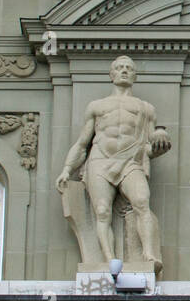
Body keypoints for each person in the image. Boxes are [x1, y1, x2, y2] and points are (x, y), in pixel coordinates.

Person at [56, 56, 171, 271]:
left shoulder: (146, 109)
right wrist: (66, 169)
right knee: (102, 210)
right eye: (119, 68)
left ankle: (148, 254)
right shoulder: (97, 107)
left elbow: (147, 146)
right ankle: (108, 258)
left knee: (142, 201)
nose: (124, 71)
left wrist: (158, 147)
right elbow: (82, 144)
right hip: (100, 160)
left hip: (130, 161)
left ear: (135, 75)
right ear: (112, 74)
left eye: (129, 68)